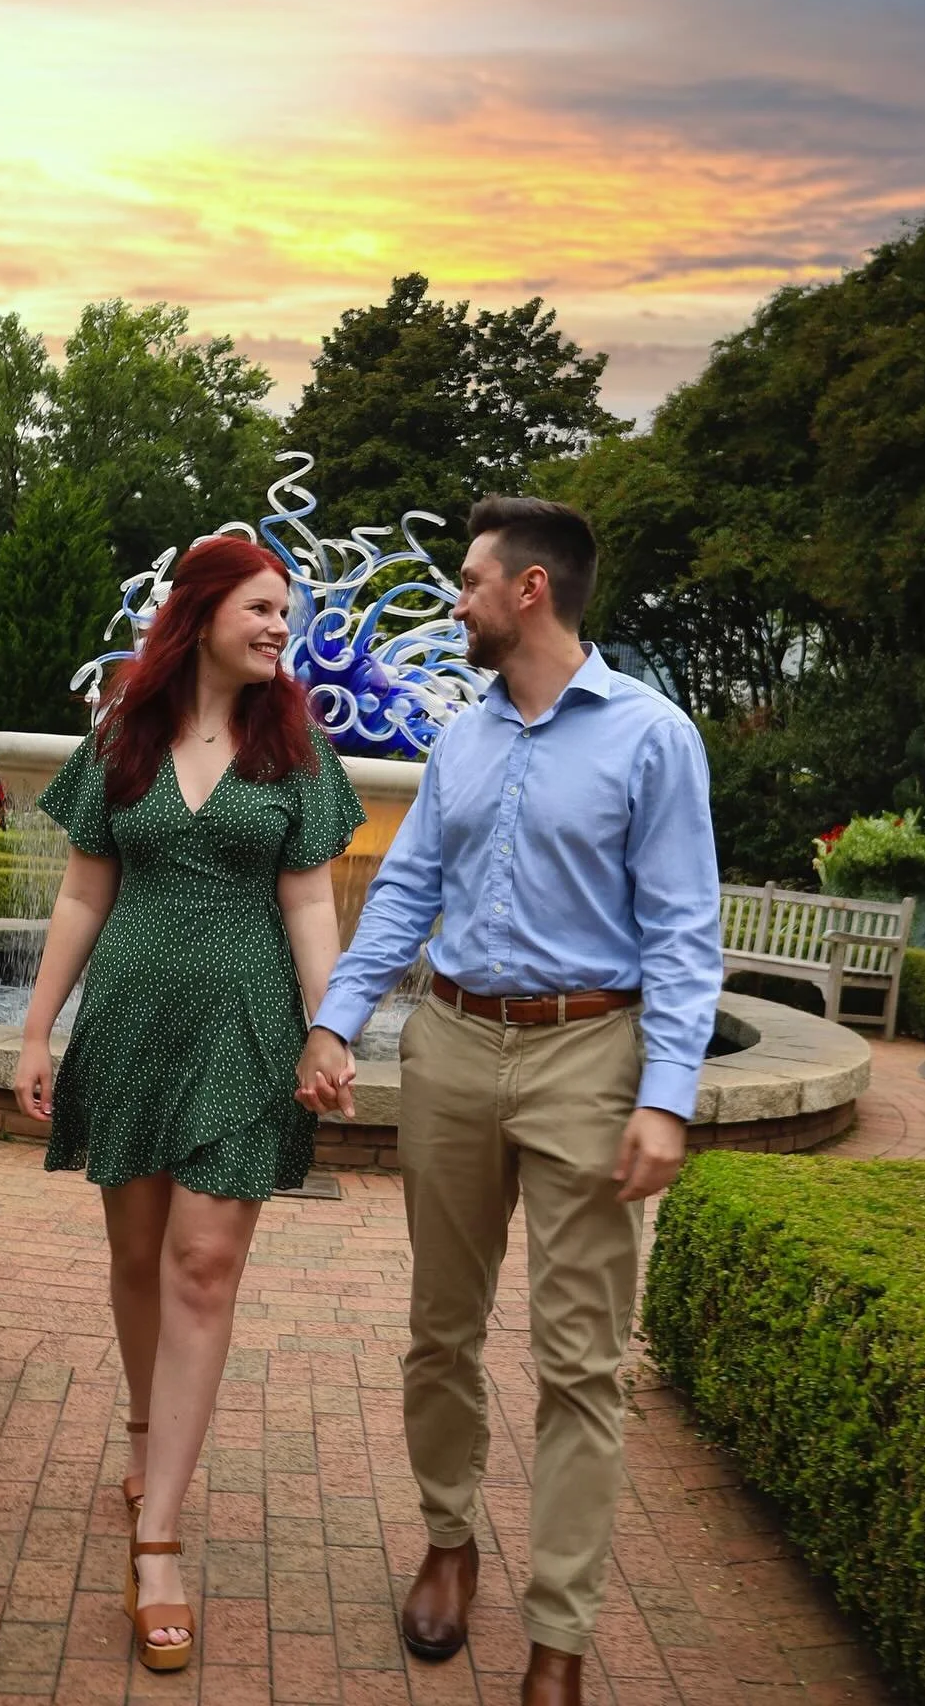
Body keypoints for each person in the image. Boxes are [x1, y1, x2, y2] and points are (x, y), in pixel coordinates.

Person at [297, 496, 723, 1706]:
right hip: (449, 1045)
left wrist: (669, 1097)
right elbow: (406, 890)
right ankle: (448, 1540)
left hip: (591, 1055)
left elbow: (687, 935)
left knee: (581, 1360)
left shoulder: (652, 738)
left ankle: (560, 1633)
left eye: (473, 583)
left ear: (531, 590)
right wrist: (336, 1020)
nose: (458, 603)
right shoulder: (465, 740)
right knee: (441, 1326)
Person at [14, 536, 364, 1673]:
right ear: (204, 611)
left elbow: (311, 905)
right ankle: (146, 1429)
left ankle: (158, 1538)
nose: (280, 629)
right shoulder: (125, 732)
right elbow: (81, 890)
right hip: (128, 1024)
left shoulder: (295, 745)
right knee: (137, 1256)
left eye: (288, 613)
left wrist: (331, 1025)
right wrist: (33, 1027)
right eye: (264, 608)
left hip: (247, 1029)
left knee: (202, 1265)